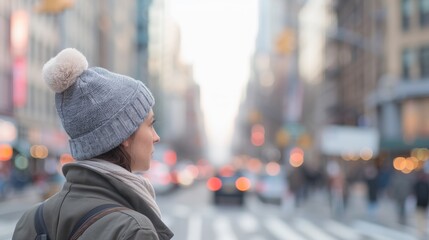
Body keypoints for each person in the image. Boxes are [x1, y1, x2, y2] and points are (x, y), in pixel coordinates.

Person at [12, 48, 174, 240]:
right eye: (150, 124)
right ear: (124, 135)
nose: (156, 137)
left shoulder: (31, 221)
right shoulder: (133, 230)